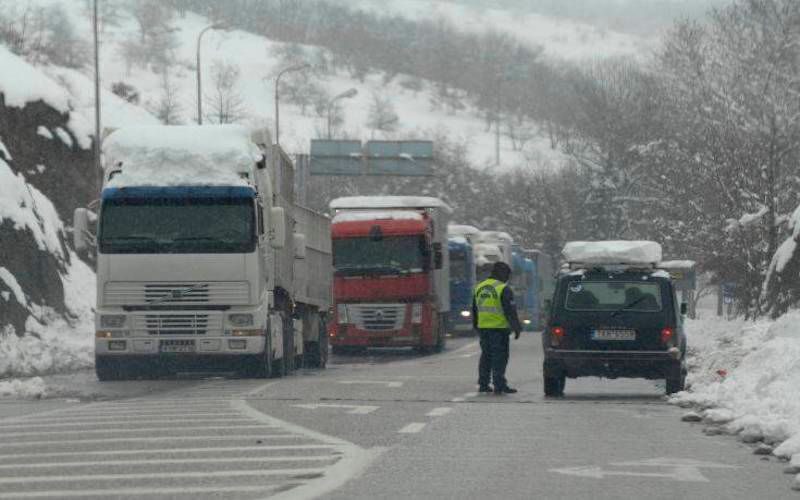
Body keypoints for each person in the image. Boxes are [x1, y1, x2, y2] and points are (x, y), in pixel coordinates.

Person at [472, 261, 522, 394]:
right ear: (502, 273)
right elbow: (510, 311)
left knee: (486, 356)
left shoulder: (479, 287)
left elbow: (475, 309)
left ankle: (483, 384)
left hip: (483, 328)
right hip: (499, 329)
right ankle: (499, 384)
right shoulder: (503, 289)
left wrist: (476, 326)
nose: (507, 278)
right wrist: (516, 327)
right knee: (499, 357)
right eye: (507, 275)